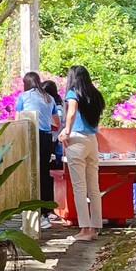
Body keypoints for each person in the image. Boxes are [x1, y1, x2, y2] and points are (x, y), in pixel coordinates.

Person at [59, 65, 106, 241]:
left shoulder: (73, 93)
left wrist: (66, 131)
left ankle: (84, 229)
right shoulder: (95, 95)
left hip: (76, 140)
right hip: (92, 140)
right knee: (94, 187)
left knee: (79, 187)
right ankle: (95, 227)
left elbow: (71, 113)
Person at [14, 71, 58, 224]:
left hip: (30, 135)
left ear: (26, 83)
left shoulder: (24, 97)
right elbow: (56, 122)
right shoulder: (49, 98)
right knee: (44, 173)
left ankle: (31, 213)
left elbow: (18, 120)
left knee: (30, 174)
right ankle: (45, 213)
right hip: (46, 138)